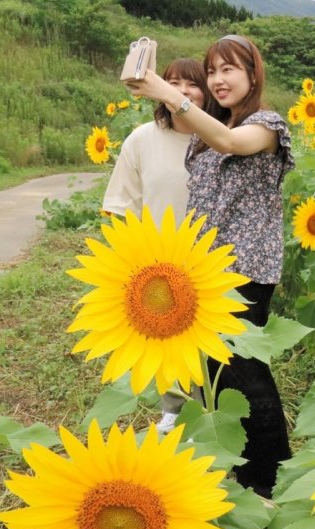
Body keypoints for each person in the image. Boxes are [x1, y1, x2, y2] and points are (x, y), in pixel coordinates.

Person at [124, 34, 295, 499]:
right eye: (213, 71)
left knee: (245, 374)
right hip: (205, 273)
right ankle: (239, 468)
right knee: (218, 377)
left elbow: (230, 142)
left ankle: (269, 478)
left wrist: (166, 90)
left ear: (253, 75)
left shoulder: (266, 125)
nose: (218, 80)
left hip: (246, 270)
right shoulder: (209, 129)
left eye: (229, 70)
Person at [103, 57, 210, 434]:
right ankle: (174, 407)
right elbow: (123, 204)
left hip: (209, 256)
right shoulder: (142, 138)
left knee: (210, 336)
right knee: (166, 337)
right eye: (173, 82)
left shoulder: (215, 137)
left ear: (207, 91)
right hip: (157, 258)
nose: (183, 91)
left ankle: (209, 410)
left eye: (193, 83)